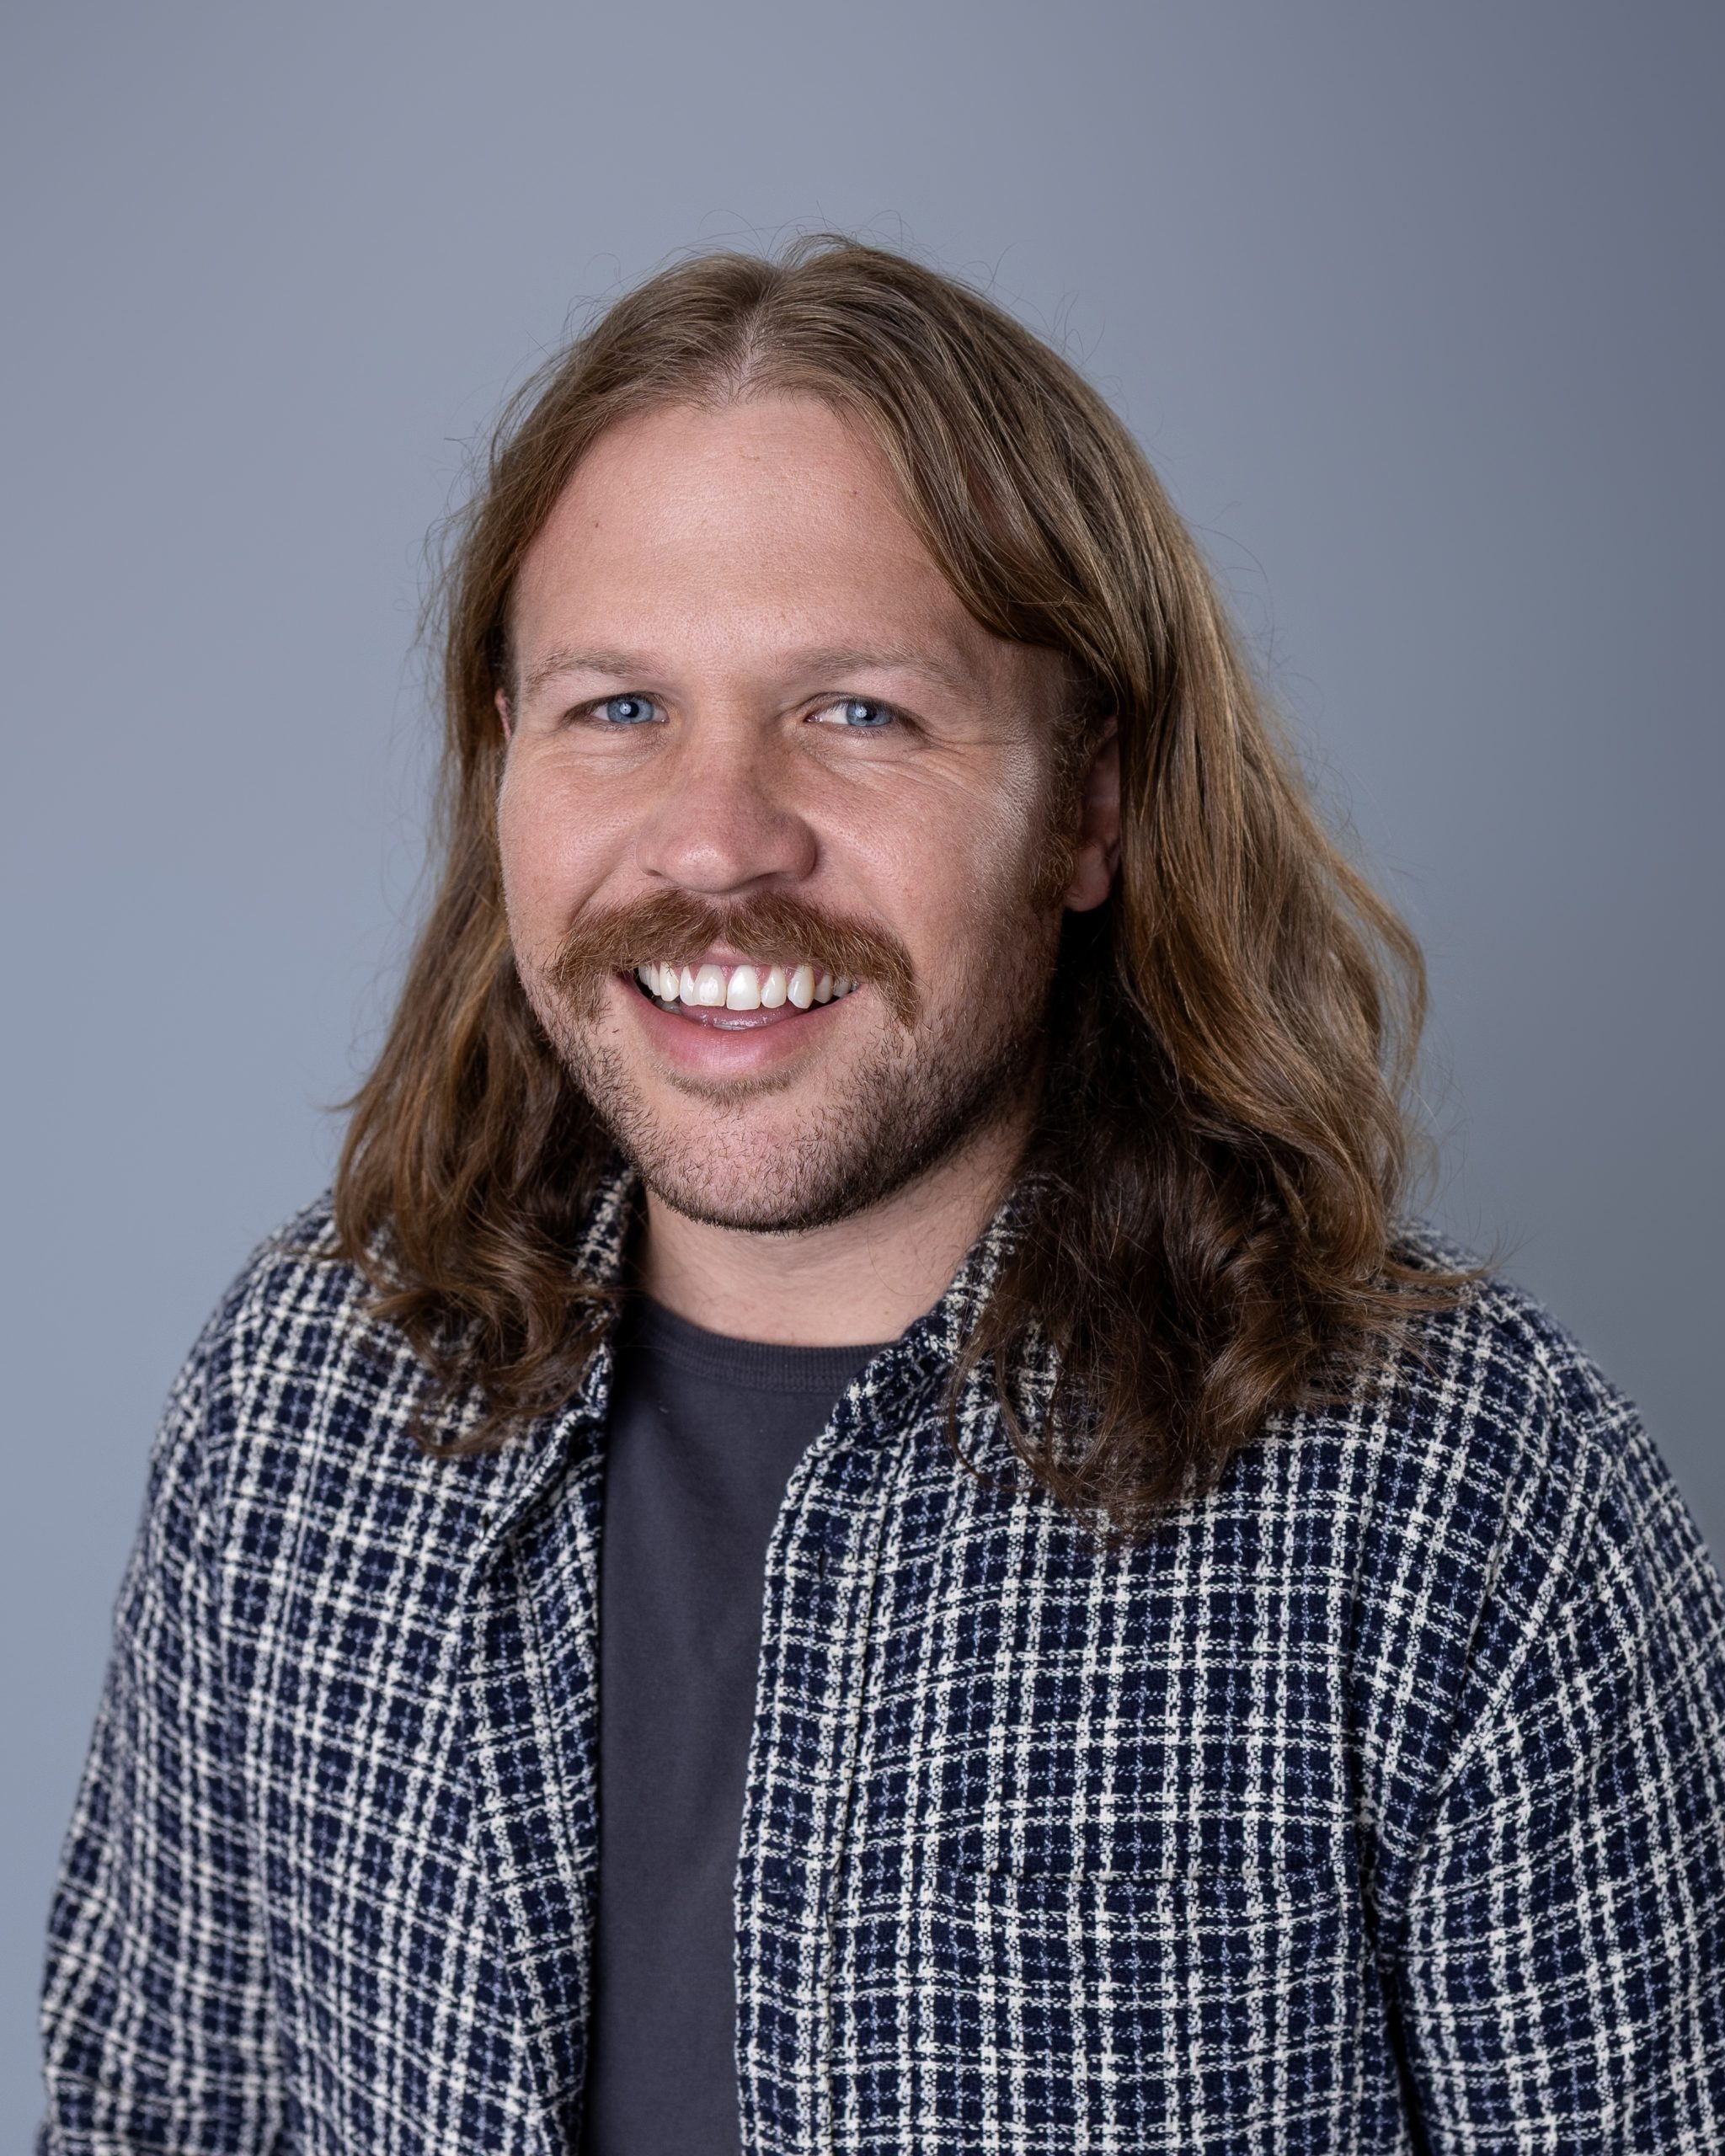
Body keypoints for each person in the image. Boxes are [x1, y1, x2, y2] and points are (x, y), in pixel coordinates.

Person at [39, 237, 1725, 2156]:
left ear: (1088, 807)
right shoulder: (299, 1404)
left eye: (857, 712)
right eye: (619, 707)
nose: (716, 841)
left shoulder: (1470, 1508)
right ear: (503, 764)